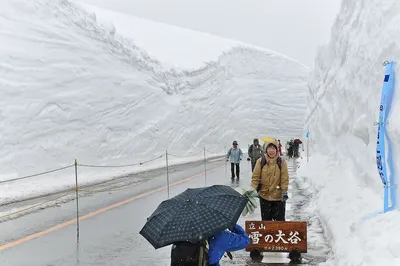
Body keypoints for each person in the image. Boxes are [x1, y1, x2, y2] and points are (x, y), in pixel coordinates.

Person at [249, 140, 289, 221]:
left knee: (280, 222)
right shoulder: (260, 161)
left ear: (277, 150)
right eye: (269, 148)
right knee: (266, 222)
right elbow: (255, 178)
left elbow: (284, 178)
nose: (271, 151)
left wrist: (284, 191)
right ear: (266, 150)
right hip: (264, 197)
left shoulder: (281, 161)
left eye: (273, 148)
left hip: (278, 198)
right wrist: (252, 190)